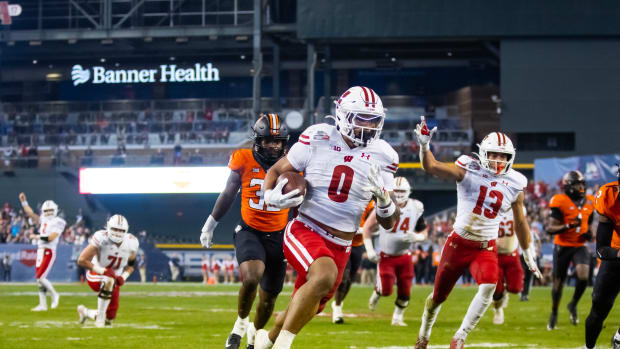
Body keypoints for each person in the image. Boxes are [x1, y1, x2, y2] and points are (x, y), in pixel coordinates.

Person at [255, 86, 400, 349]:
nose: (368, 126)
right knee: (324, 276)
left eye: (373, 120)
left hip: (343, 243)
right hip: (307, 228)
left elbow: (389, 223)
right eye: (360, 118)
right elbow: (276, 170)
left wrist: (384, 200)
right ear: (343, 115)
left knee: (308, 305)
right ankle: (283, 346)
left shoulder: (385, 155)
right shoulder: (318, 136)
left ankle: (266, 340)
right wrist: (269, 196)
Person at [412, 120, 541, 349]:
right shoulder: (467, 167)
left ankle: (460, 337)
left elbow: (520, 221)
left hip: (485, 246)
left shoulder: (515, 182)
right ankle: (424, 332)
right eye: (493, 155)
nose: (498, 161)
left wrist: (528, 252)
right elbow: (431, 167)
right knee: (437, 298)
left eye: (503, 156)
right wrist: (424, 147)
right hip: (458, 243)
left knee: (489, 286)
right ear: (483, 153)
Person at [199, 113, 291, 349]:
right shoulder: (243, 158)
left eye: (278, 141)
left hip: (280, 235)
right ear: (258, 140)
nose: (274, 146)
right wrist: (210, 224)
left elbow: (301, 206)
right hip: (250, 230)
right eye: (269, 140)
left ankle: (255, 333)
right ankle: (239, 325)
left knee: (269, 299)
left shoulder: (293, 164)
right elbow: (229, 193)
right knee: (251, 278)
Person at [364, 176, 428, 326]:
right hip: (386, 256)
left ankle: (397, 318)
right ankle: (377, 292)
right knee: (386, 290)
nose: (399, 194)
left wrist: (417, 237)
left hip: (405, 256)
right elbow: (367, 227)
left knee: (405, 291)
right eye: (396, 190)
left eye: (402, 191)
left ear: (409, 191)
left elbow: (424, 232)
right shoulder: (384, 205)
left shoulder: (416, 207)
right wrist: (370, 250)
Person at [545, 170, 595, 330]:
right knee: (558, 283)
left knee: (583, 276)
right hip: (563, 246)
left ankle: (573, 304)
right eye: (577, 184)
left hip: (580, 245)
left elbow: (590, 223)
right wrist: (568, 226)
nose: (581, 187)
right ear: (568, 186)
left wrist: (589, 234)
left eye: (582, 184)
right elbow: (550, 228)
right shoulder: (560, 201)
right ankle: (554, 312)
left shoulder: (590, 201)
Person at [76, 214, 138, 328]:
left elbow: (131, 265)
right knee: (108, 279)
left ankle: (86, 312)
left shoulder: (132, 241)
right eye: (115, 229)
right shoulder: (101, 237)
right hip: (96, 274)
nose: (117, 232)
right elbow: (82, 260)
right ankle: (99, 319)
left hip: (113, 279)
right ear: (108, 227)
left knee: (109, 319)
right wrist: (102, 271)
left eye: (121, 230)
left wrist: (123, 277)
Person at [585, 169, 620, 349]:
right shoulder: (608, 195)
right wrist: (618, 254)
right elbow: (601, 249)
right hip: (616, 256)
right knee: (599, 308)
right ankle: (589, 347)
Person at [19, 193, 66, 311]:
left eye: (51, 210)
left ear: (55, 210)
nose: (49, 213)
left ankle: (55, 294)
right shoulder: (43, 219)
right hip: (40, 250)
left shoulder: (59, 221)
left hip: (49, 250)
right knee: (39, 281)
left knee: (40, 277)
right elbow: (30, 213)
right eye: (47, 210)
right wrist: (24, 202)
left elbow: (51, 237)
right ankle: (43, 305)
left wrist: (35, 237)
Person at [331, 201, 375, 324]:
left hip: (358, 244)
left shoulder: (369, 203)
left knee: (350, 279)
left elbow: (374, 223)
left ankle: (337, 304)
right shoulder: (344, 199)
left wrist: (368, 228)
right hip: (343, 242)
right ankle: (338, 311)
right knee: (344, 277)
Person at [491, 205, 528, 325]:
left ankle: (505, 293)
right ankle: (498, 309)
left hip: (512, 254)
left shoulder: (518, 209)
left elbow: (523, 228)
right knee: (496, 289)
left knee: (516, 288)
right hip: (494, 255)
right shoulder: (490, 209)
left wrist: (528, 249)